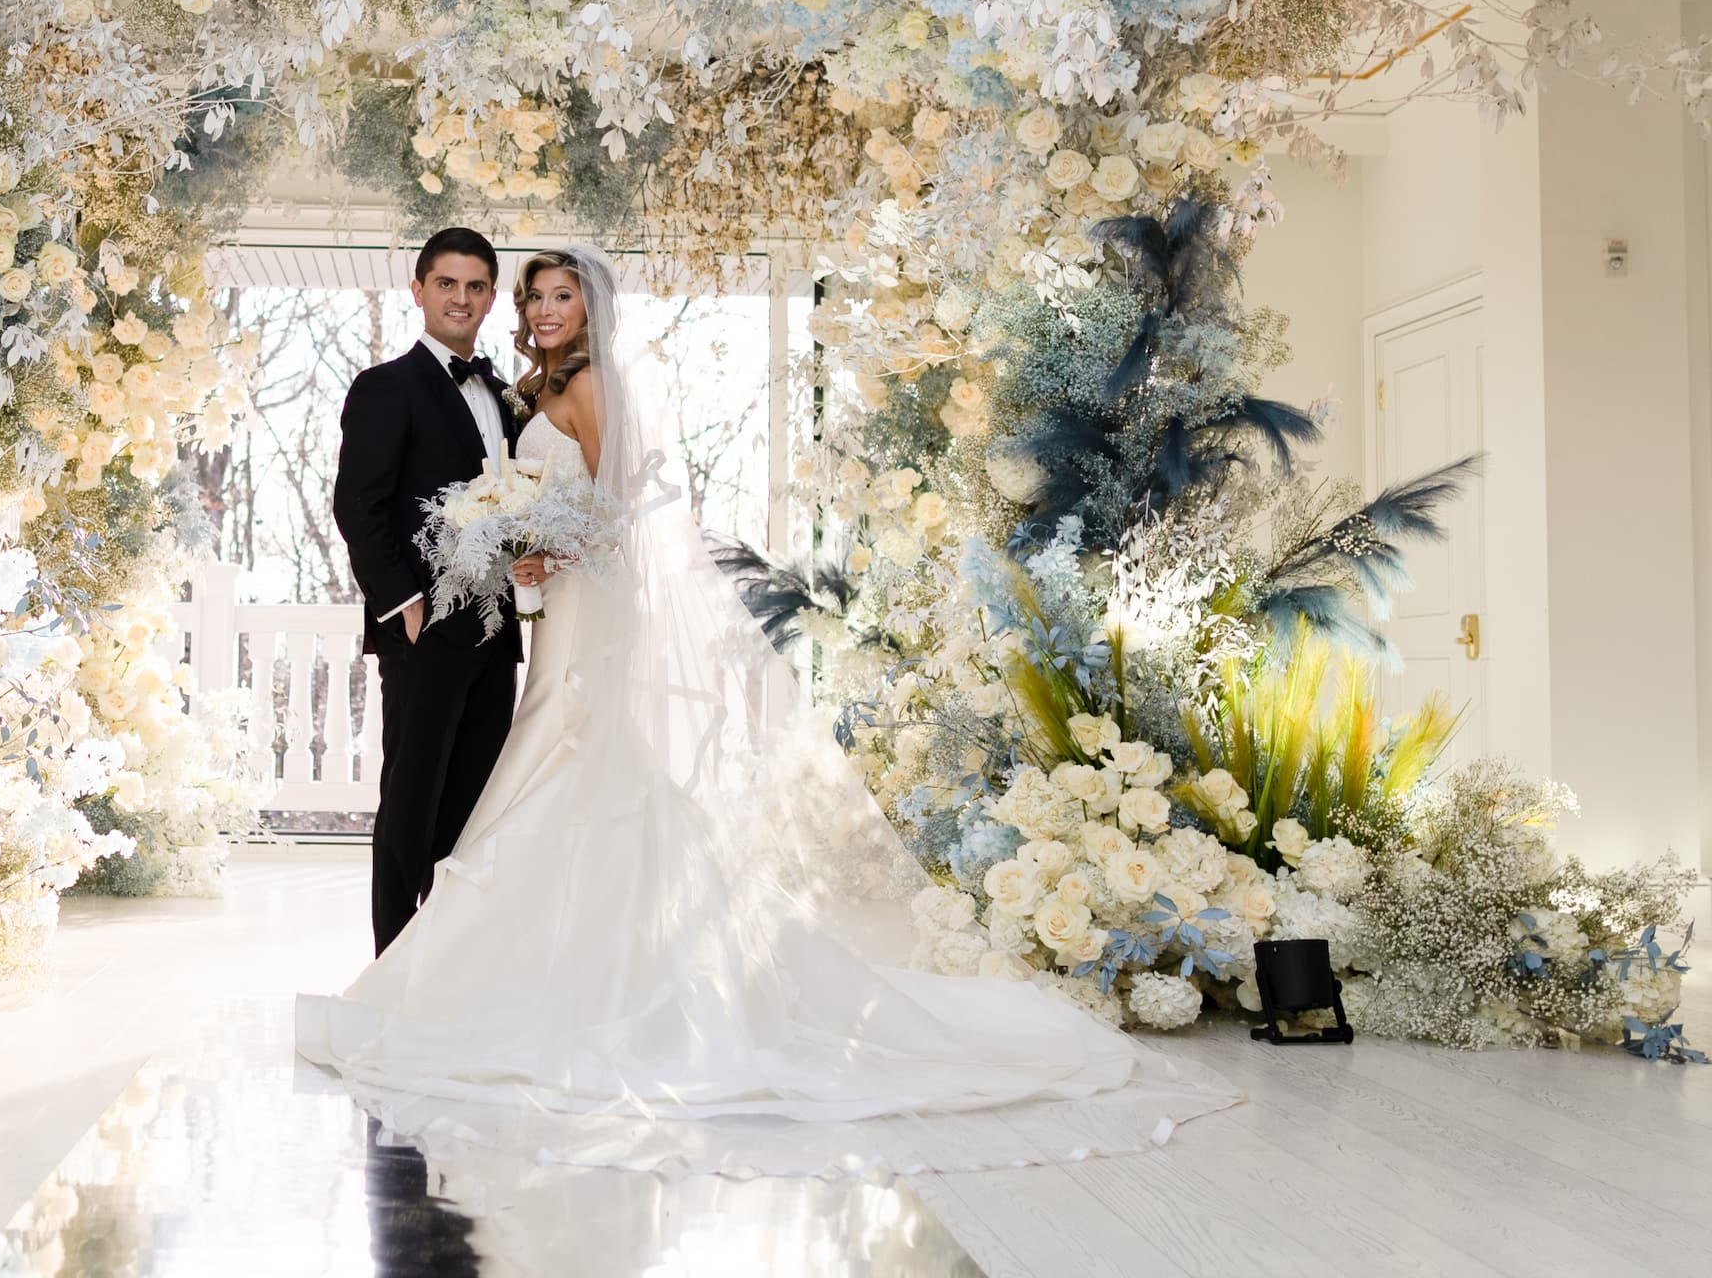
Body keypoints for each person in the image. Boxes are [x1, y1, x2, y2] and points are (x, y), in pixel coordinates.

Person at [301, 243, 1239, 1180]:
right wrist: (449, 581)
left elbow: (617, 508)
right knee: (429, 807)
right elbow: (369, 504)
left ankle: (499, 986)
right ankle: (409, 978)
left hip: (546, 625)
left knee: (528, 789)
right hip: (472, 629)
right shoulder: (467, 389)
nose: (537, 308)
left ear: (582, 307)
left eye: (552, 295)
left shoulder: (571, 389)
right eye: (530, 296)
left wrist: (542, 543)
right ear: (425, 292)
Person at [332, 227, 525, 955]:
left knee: (473, 808)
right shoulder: (385, 388)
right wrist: (406, 608)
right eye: (447, 284)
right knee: (409, 806)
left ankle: (447, 964)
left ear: (490, 298)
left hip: (495, 633)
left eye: (476, 287)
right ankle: (393, 965)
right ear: (418, 291)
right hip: (423, 633)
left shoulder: (507, 397)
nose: (461, 299)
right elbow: (360, 507)